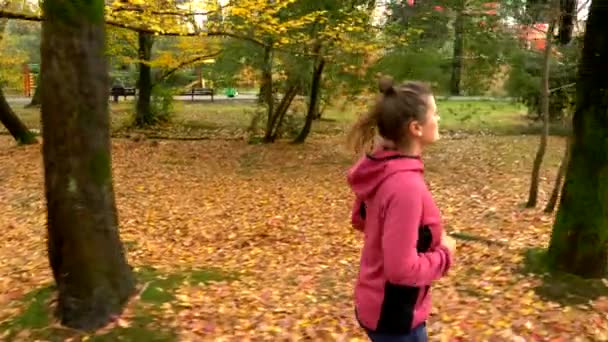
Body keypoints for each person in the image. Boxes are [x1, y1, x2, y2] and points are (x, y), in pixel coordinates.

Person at [346, 76, 456, 342]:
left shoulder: (385, 169)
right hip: (395, 317)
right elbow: (402, 271)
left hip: (376, 303)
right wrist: (444, 254)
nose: (438, 120)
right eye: (435, 114)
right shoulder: (405, 186)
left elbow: (361, 220)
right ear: (416, 128)